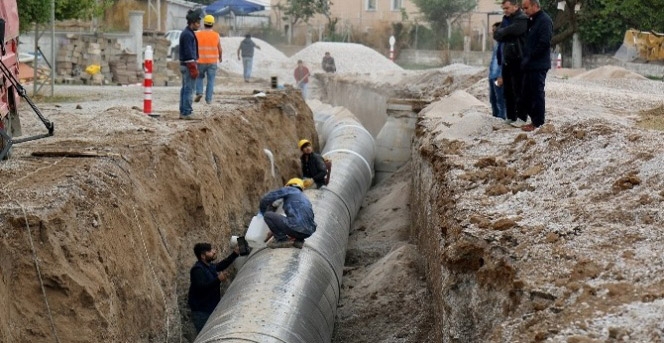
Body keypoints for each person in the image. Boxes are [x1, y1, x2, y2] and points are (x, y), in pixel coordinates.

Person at [187, 242, 239, 333]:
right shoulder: (197, 270)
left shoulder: (208, 266)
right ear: (203, 256)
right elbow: (201, 289)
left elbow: (221, 265)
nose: (214, 252)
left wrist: (234, 254)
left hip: (211, 309)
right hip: (202, 312)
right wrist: (218, 279)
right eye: (210, 251)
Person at [518, 0, 553, 132]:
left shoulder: (544, 20)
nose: (524, 11)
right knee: (525, 92)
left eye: (526, 8)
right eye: (523, 8)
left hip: (538, 64)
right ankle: (523, 117)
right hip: (528, 64)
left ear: (535, 5)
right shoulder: (531, 20)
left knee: (536, 93)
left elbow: (544, 43)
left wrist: (529, 56)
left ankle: (538, 123)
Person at [493, 0, 528, 127]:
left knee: (519, 89)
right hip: (507, 60)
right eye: (504, 8)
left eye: (507, 8)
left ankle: (522, 117)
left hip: (519, 60)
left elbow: (515, 31)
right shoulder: (506, 19)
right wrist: (505, 32)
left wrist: (504, 32)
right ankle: (511, 116)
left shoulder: (522, 19)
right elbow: (497, 35)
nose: (505, 10)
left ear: (515, 6)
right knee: (508, 90)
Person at [258, 178, 316, 249]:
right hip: (308, 232)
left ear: (289, 185)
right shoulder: (304, 198)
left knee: (268, 215)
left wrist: (262, 211)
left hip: (296, 227)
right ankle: (298, 241)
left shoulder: (290, 189)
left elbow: (267, 198)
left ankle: (281, 240)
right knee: (297, 223)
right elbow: (307, 218)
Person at [179, 8, 202, 120]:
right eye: (198, 23)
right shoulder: (188, 34)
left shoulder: (188, 33)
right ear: (192, 23)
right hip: (188, 65)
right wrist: (193, 67)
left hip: (185, 65)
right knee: (189, 89)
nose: (199, 25)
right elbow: (189, 53)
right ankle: (187, 112)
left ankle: (183, 111)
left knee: (185, 88)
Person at [195, 15, 223, 105]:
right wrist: (220, 57)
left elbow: (193, 47)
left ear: (204, 23)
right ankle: (209, 99)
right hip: (212, 62)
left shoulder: (197, 34)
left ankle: (199, 92)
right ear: (212, 24)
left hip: (200, 61)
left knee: (199, 77)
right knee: (211, 80)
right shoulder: (216, 35)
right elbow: (220, 48)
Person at [489, 22, 506, 119]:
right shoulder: (497, 45)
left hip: (498, 77)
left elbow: (504, 62)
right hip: (493, 76)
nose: (493, 33)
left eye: (495, 31)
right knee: (493, 99)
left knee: (500, 99)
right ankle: (496, 117)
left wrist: (501, 75)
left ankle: (502, 118)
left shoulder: (504, 45)